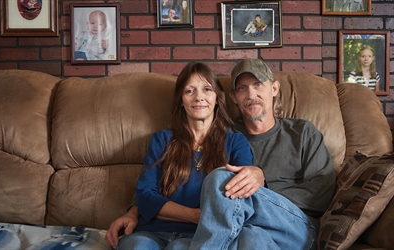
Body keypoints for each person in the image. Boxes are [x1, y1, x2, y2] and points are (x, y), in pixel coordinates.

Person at [105, 59, 336, 250]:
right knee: (251, 238)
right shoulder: (227, 134)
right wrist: (135, 211)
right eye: (242, 88)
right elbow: (147, 189)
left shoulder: (301, 132)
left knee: (220, 180)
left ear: (274, 89)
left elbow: (322, 191)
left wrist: (260, 183)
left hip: (292, 225)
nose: (251, 94)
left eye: (258, 85)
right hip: (247, 227)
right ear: (233, 97)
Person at [105, 62, 253, 249]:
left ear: (217, 98)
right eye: (189, 91)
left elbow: (243, 194)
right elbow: (145, 195)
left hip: (202, 236)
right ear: (181, 101)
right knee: (136, 245)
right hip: (152, 231)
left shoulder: (235, 142)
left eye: (207, 89)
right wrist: (194, 215)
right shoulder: (162, 140)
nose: (199, 97)